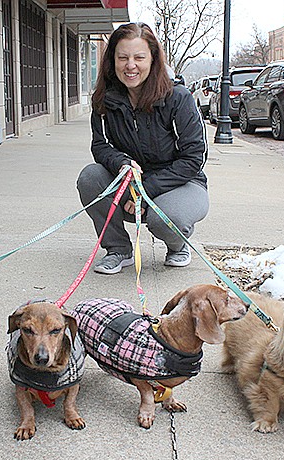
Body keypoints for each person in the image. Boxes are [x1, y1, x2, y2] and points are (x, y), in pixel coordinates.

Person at [77, 22, 209, 275]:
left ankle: (178, 244)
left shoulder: (178, 98)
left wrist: (146, 189)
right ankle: (118, 249)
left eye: (139, 57)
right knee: (90, 176)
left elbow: (194, 158)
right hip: (131, 179)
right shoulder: (104, 100)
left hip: (181, 183)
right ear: (112, 60)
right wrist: (121, 162)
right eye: (123, 57)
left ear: (153, 59)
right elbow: (100, 145)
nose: (130, 65)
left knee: (165, 219)